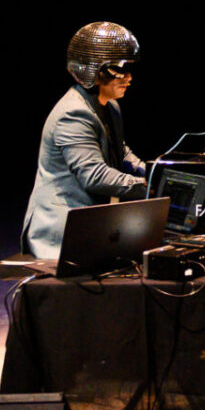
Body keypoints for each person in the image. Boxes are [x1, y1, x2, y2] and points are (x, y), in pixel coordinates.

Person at [19, 21, 149, 260]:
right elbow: (94, 176)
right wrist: (149, 188)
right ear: (95, 71)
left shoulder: (110, 106)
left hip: (92, 224)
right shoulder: (73, 114)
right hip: (63, 231)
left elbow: (120, 152)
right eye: (121, 71)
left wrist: (152, 171)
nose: (129, 78)